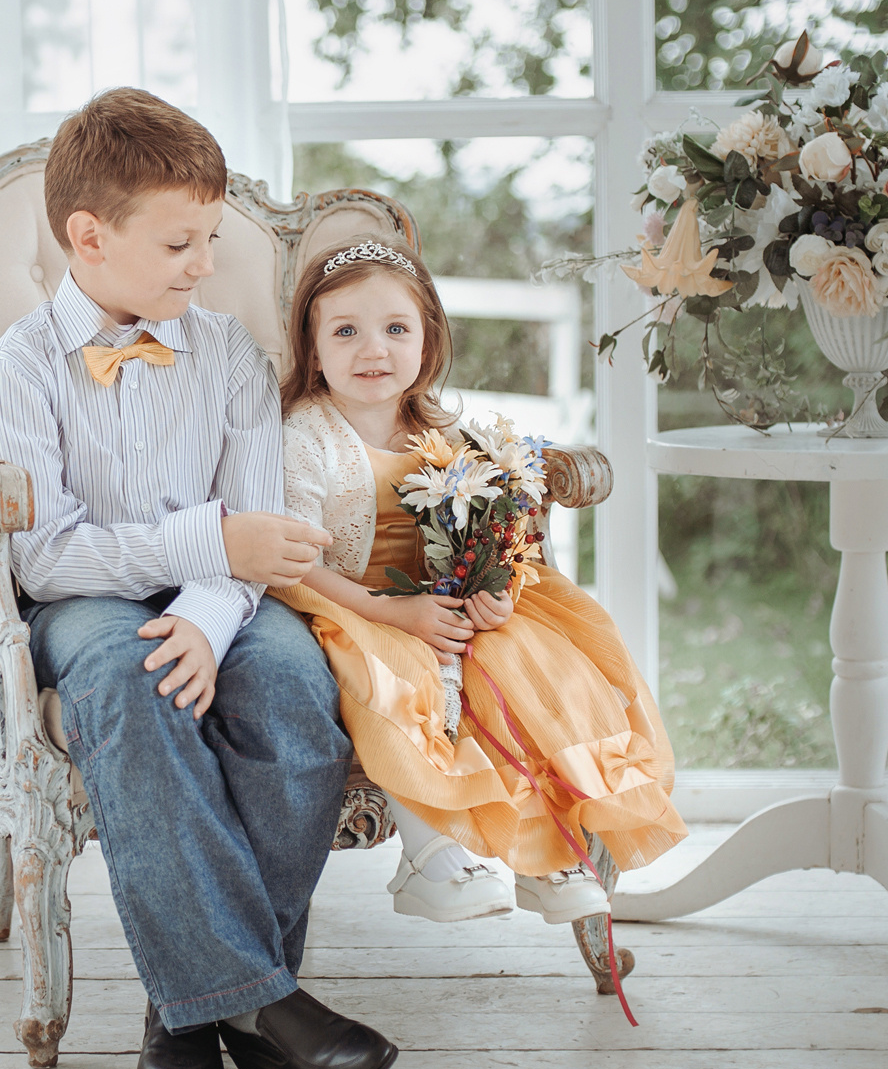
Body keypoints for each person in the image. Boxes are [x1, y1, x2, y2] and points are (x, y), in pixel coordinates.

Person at [0, 89, 397, 1069]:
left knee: (294, 690)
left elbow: (252, 537)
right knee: (131, 677)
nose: (204, 263)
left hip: (227, 596)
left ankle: (193, 1007)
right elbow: (44, 561)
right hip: (84, 598)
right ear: (88, 236)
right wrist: (207, 541)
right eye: (180, 243)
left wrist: (207, 614)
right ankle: (266, 1005)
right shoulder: (20, 367)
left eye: (208, 237)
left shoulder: (230, 356)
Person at [273, 235, 688, 928]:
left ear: (428, 342)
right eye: (346, 331)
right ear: (313, 350)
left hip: (443, 600)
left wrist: (496, 586)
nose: (373, 350)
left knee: (531, 658)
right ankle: (431, 856)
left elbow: (499, 530)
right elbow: (295, 563)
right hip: (348, 604)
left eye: (395, 329)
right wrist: (392, 611)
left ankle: (554, 847)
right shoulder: (306, 436)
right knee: (401, 670)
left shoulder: (446, 430)